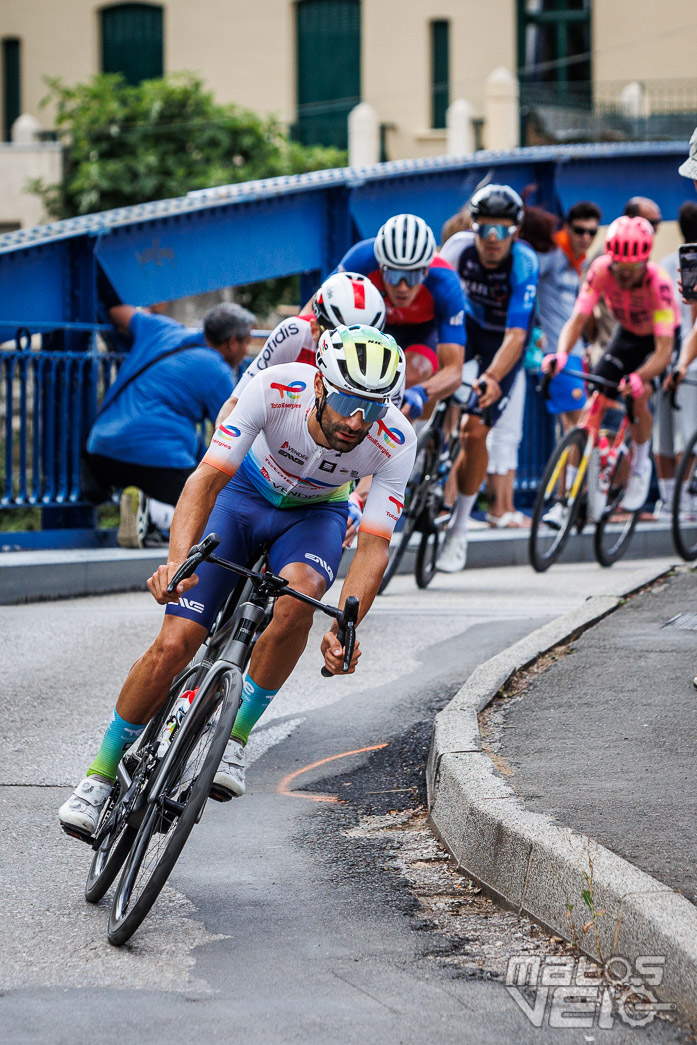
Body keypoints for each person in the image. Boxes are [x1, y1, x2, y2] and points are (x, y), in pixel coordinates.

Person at [59, 324, 416, 839]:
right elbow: (205, 480)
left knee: (302, 599)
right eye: (345, 400)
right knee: (176, 642)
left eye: (375, 408)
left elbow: (375, 544)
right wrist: (178, 566)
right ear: (319, 385)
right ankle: (98, 776)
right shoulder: (276, 388)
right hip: (242, 497)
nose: (358, 420)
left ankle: (235, 737)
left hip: (315, 515)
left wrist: (349, 625)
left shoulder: (395, 439)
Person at [83, 302, 255, 547]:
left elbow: (114, 311)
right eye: (246, 342)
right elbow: (236, 434)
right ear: (232, 343)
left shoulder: (161, 328)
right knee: (203, 500)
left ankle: (145, 513)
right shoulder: (218, 371)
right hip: (155, 460)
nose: (246, 351)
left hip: (100, 451)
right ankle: (151, 509)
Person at [544, 216, 679, 514]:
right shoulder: (602, 269)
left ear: (644, 262)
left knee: (638, 394)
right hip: (627, 334)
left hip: (657, 343)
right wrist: (562, 355)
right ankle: (568, 497)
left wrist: (640, 376)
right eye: (619, 266)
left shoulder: (658, 285)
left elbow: (664, 351)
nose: (624, 274)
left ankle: (640, 469)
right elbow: (578, 319)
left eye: (631, 268)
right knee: (596, 398)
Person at [435, 184, 539, 570]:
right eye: (484, 229)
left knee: (475, 430)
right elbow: (433, 302)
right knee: (421, 374)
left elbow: (516, 335)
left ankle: (458, 532)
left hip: (503, 341)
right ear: (473, 227)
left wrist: (492, 377)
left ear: (516, 231)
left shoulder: (525, 263)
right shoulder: (458, 249)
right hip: (464, 327)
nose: (492, 240)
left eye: (503, 231)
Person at [336, 213, 466, 417]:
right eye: (393, 275)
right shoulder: (362, 259)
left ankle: (413, 438)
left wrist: (421, 393)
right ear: (380, 266)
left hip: (421, 333)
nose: (402, 287)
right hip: (374, 326)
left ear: (426, 271)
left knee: (410, 375)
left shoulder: (445, 282)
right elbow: (315, 310)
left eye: (413, 276)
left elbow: (454, 372)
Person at [522, 201, 602, 430]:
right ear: (567, 228)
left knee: (575, 426)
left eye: (592, 232)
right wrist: (533, 331)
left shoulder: (581, 262)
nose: (586, 237)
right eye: (579, 230)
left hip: (575, 354)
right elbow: (525, 282)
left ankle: (570, 467)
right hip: (556, 355)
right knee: (578, 426)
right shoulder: (553, 254)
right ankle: (573, 468)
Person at [651, 202, 697, 520]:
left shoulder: (668, 263)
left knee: (664, 435)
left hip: (665, 356)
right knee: (685, 435)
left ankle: (670, 500)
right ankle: (682, 501)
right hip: (687, 363)